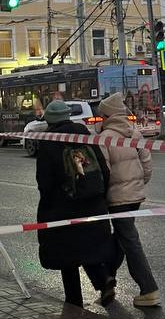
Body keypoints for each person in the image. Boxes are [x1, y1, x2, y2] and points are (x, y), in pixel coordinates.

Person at [35, 98, 116, 307]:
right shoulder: (85, 136)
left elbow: (44, 182)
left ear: (50, 120)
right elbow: (104, 171)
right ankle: (104, 280)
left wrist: (49, 204)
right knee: (90, 248)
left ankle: (74, 302)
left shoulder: (48, 142)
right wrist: (99, 195)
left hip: (62, 208)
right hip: (92, 203)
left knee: (66, 257)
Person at [98, 93, 160, 308]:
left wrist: (104, 195)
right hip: (134, 196)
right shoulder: (133, 131)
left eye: (102, 116)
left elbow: (104, 171)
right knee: (122, 239)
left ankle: (149, 289)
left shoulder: (104, 136)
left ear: (107, 116)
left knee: (130, 242)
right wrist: (139, 183)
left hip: (118, 198)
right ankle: (107, 279)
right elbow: (146, 160)